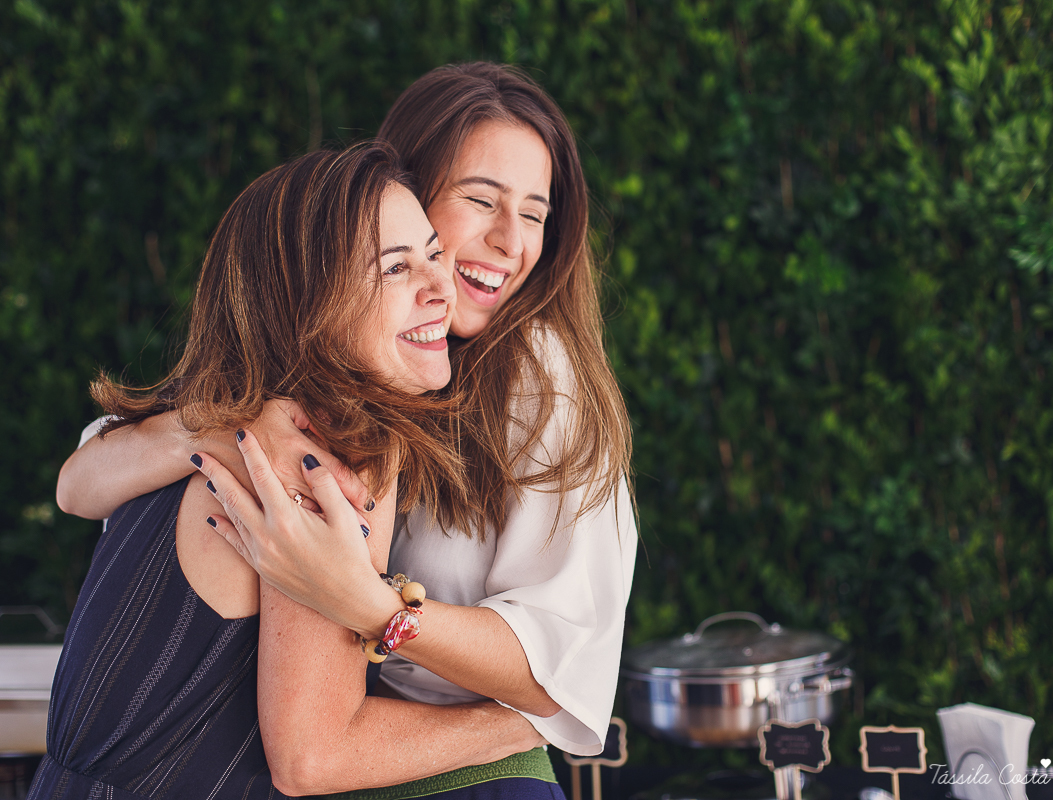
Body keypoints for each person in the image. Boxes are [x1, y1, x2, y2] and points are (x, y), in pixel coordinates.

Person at [57, 61, 637, 782]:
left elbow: (564, 664)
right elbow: (83, 480)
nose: (511, 242)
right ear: (395, 200)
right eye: (480, 200)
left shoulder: (536, 379)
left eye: (534, 213)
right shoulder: (305, 408)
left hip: (440, 764)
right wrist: (217, 432)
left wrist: (374, 608)